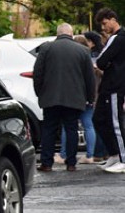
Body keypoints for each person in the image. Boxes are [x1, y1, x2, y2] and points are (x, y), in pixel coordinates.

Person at [33, 23, 96, 172]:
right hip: (74, 98)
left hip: (50, 98)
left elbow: (38, 73)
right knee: (71, 129)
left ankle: (47, 163)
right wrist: (90, 97)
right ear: (71, 33)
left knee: (49, 129)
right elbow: (89, 78)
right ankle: (71, 163)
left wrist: (39, 92)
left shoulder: (46, 49)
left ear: (57, 33)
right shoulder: (83, 51)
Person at [92, 8, 125, 173]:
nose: (103, 28)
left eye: (105, 23)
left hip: (114, 86)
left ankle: (122, 158)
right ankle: (114, 154)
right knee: (99, 119)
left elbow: (101, 61)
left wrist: (106, 64)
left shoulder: (117, 38)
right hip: (112, 85)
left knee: (115, 122)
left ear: (112, 19)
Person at [54, 35, 96, 165]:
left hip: (73, 97)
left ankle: (64, 154)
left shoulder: (72, 61)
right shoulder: (89, 60)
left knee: (68, 126)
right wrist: (91, 97)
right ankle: (90, 154)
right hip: (87, 97)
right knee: (88, 125)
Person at [84, 30, 108, 161]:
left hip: (96, 94)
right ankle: (104, 152)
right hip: (101, 93)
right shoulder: (102, 54)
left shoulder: (93, 57)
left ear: (91, 43)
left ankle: (98, 153)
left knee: (95, 123)